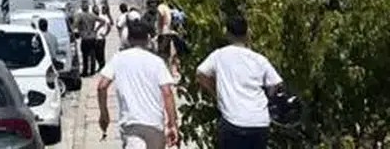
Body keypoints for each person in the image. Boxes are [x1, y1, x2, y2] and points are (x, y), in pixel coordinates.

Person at [196, 16, 284, 149]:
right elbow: (276, 83)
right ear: (247, 33)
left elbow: (201, 74)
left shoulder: (219, 55)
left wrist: (216, 94)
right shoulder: (259, 59)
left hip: (233, 121)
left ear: (227, 33)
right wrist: (269, 99)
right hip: (259, 122)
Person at [97, 20, 180, 149]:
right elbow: (167, 92)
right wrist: (172, 123)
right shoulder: (157, 62)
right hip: (155, 124)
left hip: (131, 124)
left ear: (128, 39)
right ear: (148, 39)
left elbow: (102, 86)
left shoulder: (118, 58)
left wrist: (104, 114)